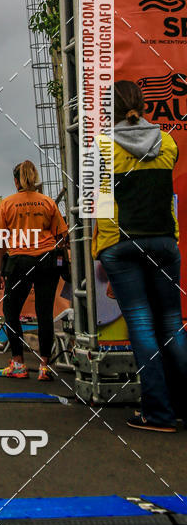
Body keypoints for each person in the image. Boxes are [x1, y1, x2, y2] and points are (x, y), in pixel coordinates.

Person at [94, 80, 187, 433]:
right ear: (143, 105)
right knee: (171, 326)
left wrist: (102, 254)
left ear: (109, 110)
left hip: (121, 244)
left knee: (143, 328)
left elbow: (100, 209)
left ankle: (159, 414)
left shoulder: (100, 149)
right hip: (164, 241)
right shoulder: (169, 142)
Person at [0, 160, 68, 381]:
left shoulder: (7, 204)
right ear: (34, 178)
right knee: (45, 313)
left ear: (16, 181)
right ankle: (44, 367)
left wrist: (0, 269)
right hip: (47, 260)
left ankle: (18, 363)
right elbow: (63, 236)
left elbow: (0, 241)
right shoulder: (47, 203)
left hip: (18, 261)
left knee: (11, 311)